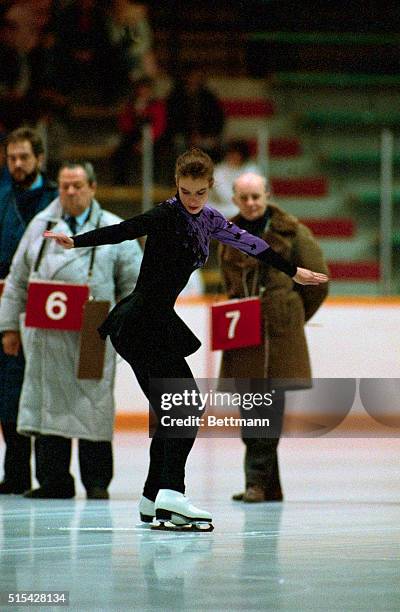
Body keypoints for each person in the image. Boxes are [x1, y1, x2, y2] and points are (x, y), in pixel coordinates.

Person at [43, 148, 328, 528]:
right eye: (185, 192)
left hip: (153, 322)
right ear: (177, 186)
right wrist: (76, 241)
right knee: (185, 406)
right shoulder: (166, 214)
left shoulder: (210, 220)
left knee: (172, 410)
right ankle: (172, 495)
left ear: (210, 188)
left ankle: (152, 497)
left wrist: (293, 271)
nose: (192, 200)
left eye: (199, 193)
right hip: (141, 322)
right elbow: (125, 229)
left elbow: (253, 245)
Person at [0, 162, 142, 499]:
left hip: (93, 328)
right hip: (46, 331)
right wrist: (8, 327)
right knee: (49, 404)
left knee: (92, 404)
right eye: (64, 186)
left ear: (92, 187)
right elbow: (18, 280)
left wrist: (124, 325)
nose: (70, 192)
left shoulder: (113, 228)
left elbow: (135, 285)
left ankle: (96, 482)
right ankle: (54, 481)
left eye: (77, 186)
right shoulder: (40, 226)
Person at [218, 172, 329, 503]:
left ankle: (255, 482)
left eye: (257, 197)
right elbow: (230, 283)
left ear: (267, 195)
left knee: (266, 412)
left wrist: (290, 315)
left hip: (279, 337)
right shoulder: (227, 234)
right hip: (244, 332)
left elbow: (319, 283)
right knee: (253, 409)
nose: (251, 204)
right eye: (244, 198)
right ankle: (270, 486)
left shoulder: (293, 233)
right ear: (235, 200)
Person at [0, 127, 58, 495]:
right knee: (8, 393)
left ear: (39, 158)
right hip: (6, 308)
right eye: (12, 158)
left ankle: (52, 476)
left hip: (47, 309)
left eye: (24, 157)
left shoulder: (56, 200)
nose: (18, 164)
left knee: (44, 394)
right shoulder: (2, 197)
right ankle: (16, 473)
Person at [210, 140, 261, 218]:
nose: (233, 157)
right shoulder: (219, 171)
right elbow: (224, 195)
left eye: (236, 154)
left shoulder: (252, 169)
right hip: (223, 206)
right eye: (231, 154)